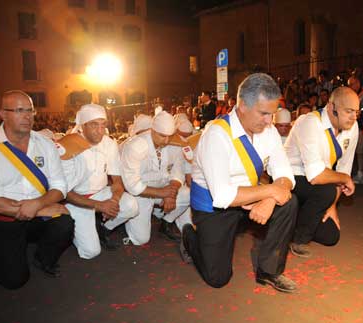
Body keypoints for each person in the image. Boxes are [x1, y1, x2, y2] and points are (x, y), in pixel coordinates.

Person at [182, 73, 298, 293]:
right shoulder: (216, 134)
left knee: (289, 203)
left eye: (272, 114)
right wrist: (271, 190)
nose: (268, 121)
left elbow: (285, 174)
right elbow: (223, 196)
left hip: (251, 200)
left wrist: (270, 199)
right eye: (263, 113)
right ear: (242, 105)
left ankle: (269, 271)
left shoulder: (268, 131)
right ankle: (190, 236)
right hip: (215, 208)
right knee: (218, 278)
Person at [0, 90, 74, 289]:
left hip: (37, 210)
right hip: (3, 219)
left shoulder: (45, 144)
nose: (27, 116)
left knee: (64, 224)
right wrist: (42, 209)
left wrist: (39, 203)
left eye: (30, 110)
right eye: (19, 110)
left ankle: (43, 258)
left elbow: (60, 186)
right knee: (13, 281)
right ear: (3, 114)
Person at [285, 87, 359, 258]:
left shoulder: (352, 127)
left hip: (318, 185)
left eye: (356, 112)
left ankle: (291, 220)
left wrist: (332, 206)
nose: (354, 117)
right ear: (332, 107)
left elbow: (343, 169)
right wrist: (342, 182)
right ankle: (298, 240)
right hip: (291, 179)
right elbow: (316, 175)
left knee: (331, 236)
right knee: (326, 191)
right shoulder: (309, 122)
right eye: (348, 111)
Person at [62, 104, 139, 259]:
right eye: (94, 125)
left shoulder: (109, 143)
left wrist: (114, 201)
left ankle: (103, 228)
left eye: (103, 125)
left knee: (131, 206)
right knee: (90, 252)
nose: (100, 131)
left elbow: (117, 179)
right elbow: (65, 193)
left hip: (100, 193)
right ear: (83, 126)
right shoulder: (67, 145)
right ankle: (73, 230)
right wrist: (100, 206)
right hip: (75, 200)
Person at [119, 111, 191, 245]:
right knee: (140, 239)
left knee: (188, 194)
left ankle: (166, 222)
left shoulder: (176, 143)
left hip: (164, 189)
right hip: (141, 194)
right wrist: (163, 193)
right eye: (162, 136)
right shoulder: (135, 146)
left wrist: (171, 194)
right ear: (152, 130)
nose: (166, 141)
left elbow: (177, 172)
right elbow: (132, 185)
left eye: (170, 136)